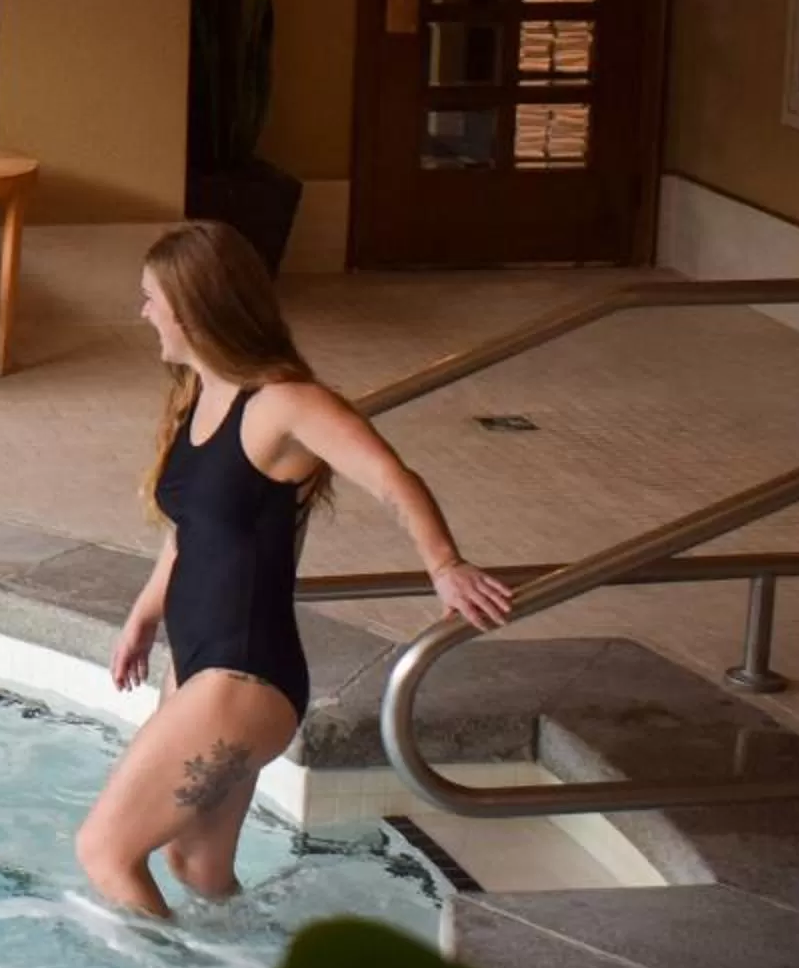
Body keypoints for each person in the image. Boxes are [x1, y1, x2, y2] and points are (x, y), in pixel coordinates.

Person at [75, 223, 514, 919]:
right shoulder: (196, 398)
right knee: (194, 864)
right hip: (198, 666)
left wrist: (445, 563)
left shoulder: (284, 403)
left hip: (243, 677)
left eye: (151, 299)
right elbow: (194, 535)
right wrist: (142, 616)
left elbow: (391, 478)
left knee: (104, 851)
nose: (143, 313)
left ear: (195, 308)